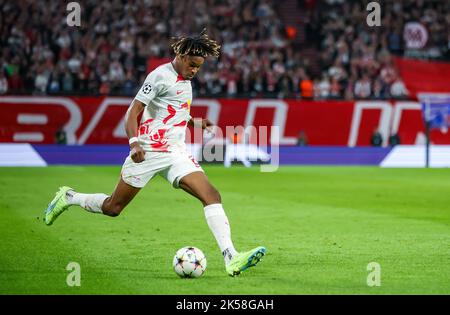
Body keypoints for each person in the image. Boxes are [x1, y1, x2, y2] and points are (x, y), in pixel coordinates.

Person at [43, 29, 265, 277]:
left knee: (211, 195)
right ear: (180, 55)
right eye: (192, 65)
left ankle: (231, 257)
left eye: (199, 68)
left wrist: (195, 123)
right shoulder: (158, 76)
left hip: (175, 152)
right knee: (113, 208)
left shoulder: (185, 80)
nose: (194, 71)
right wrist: (134, 142)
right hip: (147, 152)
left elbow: (174, 110)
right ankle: (70, 196)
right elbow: (133, 112)